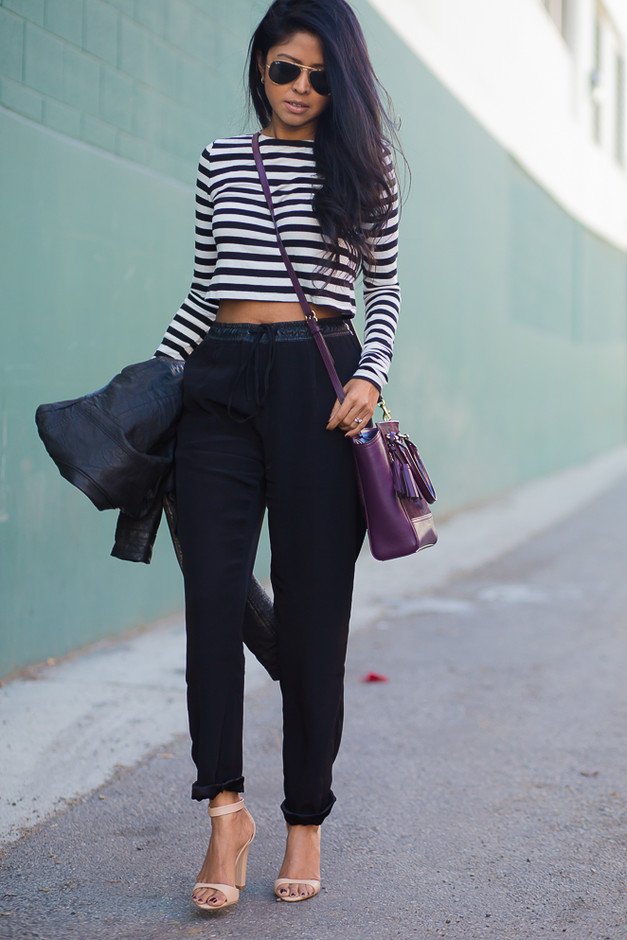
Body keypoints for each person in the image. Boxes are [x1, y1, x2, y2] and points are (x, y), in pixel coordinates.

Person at [153, 0, 404, 911]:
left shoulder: (360, 168)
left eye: (319, 75)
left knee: (310, 616)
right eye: (284, 70)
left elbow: (384, 290)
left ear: (342, 80)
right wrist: (151, 379)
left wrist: (369, 378)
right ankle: (225, 813)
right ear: (259, 67)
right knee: (213, 602)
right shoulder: (222, 160)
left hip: (318, 393)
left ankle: (304, 820)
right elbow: (204, 289)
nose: (300, 89)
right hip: (217, 387)